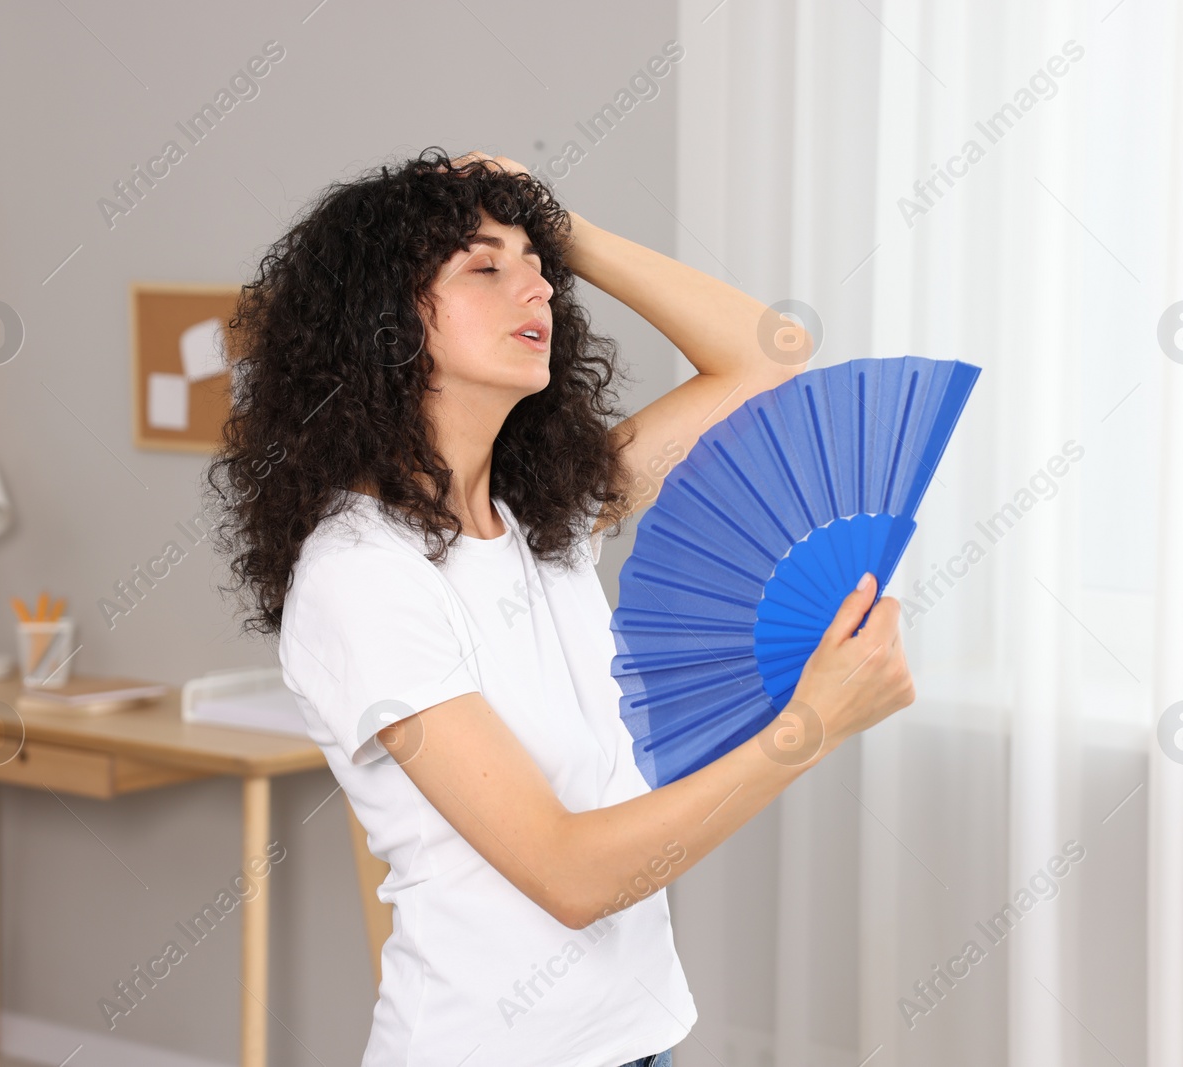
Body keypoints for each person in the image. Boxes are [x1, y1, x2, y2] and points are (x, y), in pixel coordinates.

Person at [206, 147, 915, 1067]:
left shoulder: (545, 517)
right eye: (485, 268)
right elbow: (572, 876)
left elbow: (770, 356)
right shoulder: (360, 575)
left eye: (539, 271)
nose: (535, 290)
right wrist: (810, 725)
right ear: (383, 323)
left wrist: (559, 227)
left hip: (639, 1040)